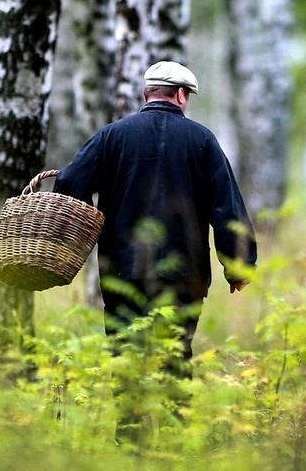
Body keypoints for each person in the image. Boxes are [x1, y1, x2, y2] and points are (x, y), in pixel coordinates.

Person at [53, 61, 257, 437]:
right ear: (181, 95)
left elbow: (67, 184)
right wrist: (238, 265)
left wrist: (79, 231)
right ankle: (174, 444)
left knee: (126, 359)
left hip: (121, 272)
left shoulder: (112, 136)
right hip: (184, 276)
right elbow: (227, 208)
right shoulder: (202, 140)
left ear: (147, 94)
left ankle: (129, 443)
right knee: (175, 359)